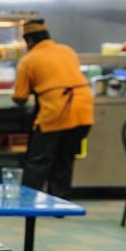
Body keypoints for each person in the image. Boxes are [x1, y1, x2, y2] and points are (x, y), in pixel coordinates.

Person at [13, 18, 93, 199]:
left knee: (39, 160)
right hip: (84, 111)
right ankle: (60, 201)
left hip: (56, 111)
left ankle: (27, 200)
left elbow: (20, 97)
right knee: (65, 159)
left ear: (29, 41)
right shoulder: (67, 51)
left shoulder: (29, 59)